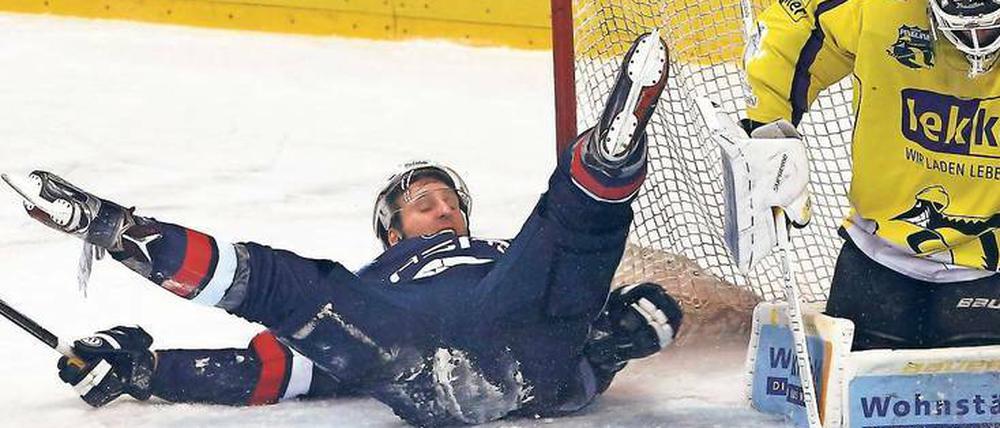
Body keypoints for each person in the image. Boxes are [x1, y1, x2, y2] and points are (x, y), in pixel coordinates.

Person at [10, 32, 683, 425]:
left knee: (571, 226)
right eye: (424, 202)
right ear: (393, 231)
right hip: (403, 348)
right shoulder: (374, 281)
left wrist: (626, 333)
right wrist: (148, 371)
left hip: (523, 337)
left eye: (451, 202)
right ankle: (114, 229)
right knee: (285, 283)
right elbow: (265, 371)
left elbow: (577, 301)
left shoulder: (504, 254)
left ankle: (609, 151)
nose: (445, 210)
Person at [736, 0, 1000, 350]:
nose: (975, 38)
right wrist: (765, 132)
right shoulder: (874, 7)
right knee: (847, 399)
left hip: (989, 273)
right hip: (876, 258)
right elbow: (790, 31)